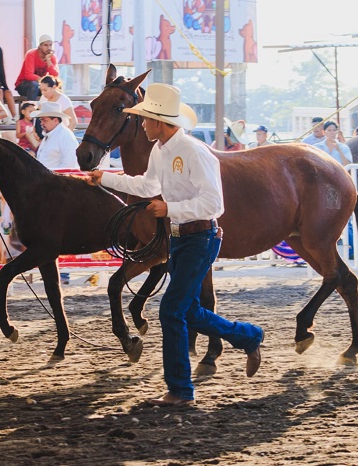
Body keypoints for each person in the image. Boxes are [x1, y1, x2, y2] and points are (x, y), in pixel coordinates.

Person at [84, 83, 264, 406]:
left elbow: (214, 204)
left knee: (171, 310)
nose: (142, 125)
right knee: (188, 311)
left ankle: (180, 389)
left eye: (146, 119)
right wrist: (106, 178)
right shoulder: (160, 150)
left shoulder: (194, 152)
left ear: (160, 122)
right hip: (182, 238)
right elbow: (147, 184)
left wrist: (169, 209)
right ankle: (249, 337)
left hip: (200, 237)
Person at [30, 101, 79, 169]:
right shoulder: (50, 135)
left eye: (45, 120)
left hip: (55, 178)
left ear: (56, 120)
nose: (41, 123)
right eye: (41, 120)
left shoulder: (65, 135)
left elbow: (70, 164)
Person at [14, 34, 59, 101]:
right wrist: (43, 82)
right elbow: (28, 75)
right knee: (34, 85)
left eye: (50, 45)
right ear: (40, 46)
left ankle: (53, 109)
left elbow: (55, 75)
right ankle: (30, 109)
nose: (49, 48)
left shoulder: (51, 57)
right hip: (23, 85)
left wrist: (48, 60)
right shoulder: (31, 54)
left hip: (40, 85)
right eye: (46, 45)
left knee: (56, 85)